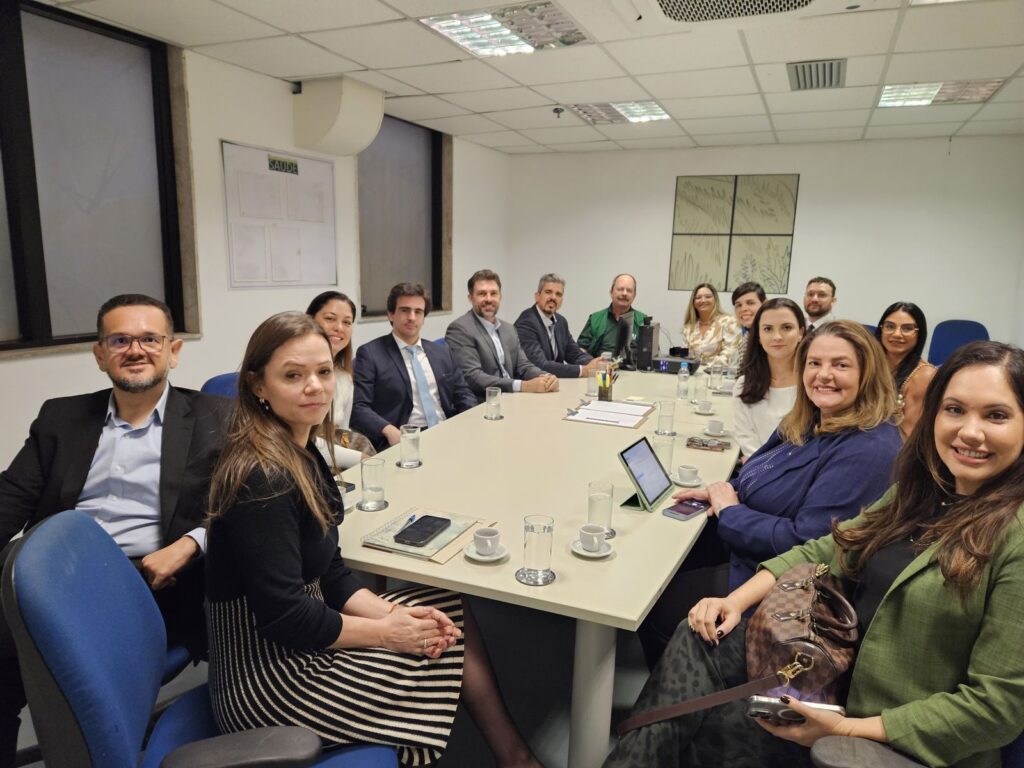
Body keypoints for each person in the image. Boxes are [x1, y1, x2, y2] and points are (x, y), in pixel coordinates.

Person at [608, 340, 1024, 768]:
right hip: (831, 677)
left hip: (885, 735)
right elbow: (829, 546)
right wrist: (734, 601)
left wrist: (843, 729)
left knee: (711, 727)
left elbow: (996, 708)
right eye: (955, 410)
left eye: (996, 415)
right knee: (700, 637)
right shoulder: (921, 492)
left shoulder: (1014, 536)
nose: (970, 431)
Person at [205, 312, 541, 768]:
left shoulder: (300, 450)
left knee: (441, 611)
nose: (315, 387)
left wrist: (395, 614)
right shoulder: (263, 477)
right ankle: (515, 758)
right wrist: (388, 634)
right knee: (430, 643)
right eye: (293, 375)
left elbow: (332, 574)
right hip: (270, 683)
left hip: (298, 637)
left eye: (324, 372)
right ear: (258, 386)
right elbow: (286, 617)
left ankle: (512, 757)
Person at [0, 294, 230, 768]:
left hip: (154, 582)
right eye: (120, 339)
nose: (135, 349)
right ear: (100, 353)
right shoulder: (60, 419)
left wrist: (190, 544)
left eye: (150, 338)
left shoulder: (216, 418)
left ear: (174, 350)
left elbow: (246, 508)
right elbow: (10, 501)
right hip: (59, 577)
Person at [639, 321, 901, 668]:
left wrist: (731, 511)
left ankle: (699, 686)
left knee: (658, 604)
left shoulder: (869, 449)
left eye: (841, 365)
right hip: (745, 544)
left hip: (778, 584)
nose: (824, 375)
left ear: (868, 374)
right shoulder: (809, 420)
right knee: (656, 555)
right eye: (814, 363)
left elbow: (807, 544)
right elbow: (758, 471)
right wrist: (722, 490)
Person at [351, 282, 477, 452]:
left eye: (418, 312)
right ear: (390, 314)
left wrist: (469, 419)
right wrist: (388, 430)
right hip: (403, 438)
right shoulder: (371, 354)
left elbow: (463, 393)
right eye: (405, 310)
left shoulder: (441, 352)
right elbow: (359, 408)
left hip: (446, 431)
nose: (412, 317)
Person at [445, 270, 558, 400]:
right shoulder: (460, 329)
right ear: (470, 298)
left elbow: (524, 366)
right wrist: (522, 386)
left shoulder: (508, 329)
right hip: (483, 404)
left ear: (500, 297)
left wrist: (546, 377)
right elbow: (473, 377)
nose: (488, 299)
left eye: (493, 293)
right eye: (482, 294)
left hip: (512, 399)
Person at [732, 298, 806, 459]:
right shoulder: (744, 385)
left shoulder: (813, 384)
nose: (777, 336)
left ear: (800, 333)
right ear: (758, 335)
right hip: (761, 473)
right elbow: (747, 441)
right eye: (768, 329)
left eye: (786, 328)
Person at [306, 291, 364, 469]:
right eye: (330, 319)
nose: (339, 327)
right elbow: (306, 443)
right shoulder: (302, 378)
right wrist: (361, 458)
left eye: (347, 322)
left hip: (335, 461)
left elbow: (342, 435)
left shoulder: (345, 377)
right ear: (310, 320)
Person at [514, 273, 600, 378]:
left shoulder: (561, 321)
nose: (553, 297)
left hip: (554, 385)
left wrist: (597, 363)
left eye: (558, 294)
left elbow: (575, 354)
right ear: (537, 296)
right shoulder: (526, 322)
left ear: (561, 301)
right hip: (532, 386)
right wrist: (582, 370)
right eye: (548, 292)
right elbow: (540, 365)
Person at [874, 302, 937, 440]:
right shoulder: (869, 365)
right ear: (881, 330)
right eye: (890, 327)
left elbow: (909, 436)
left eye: (907, 328)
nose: (896, 334)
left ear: (919, 334)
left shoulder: (925, 375)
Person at [577, 274, 648, 357]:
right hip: (600, 368)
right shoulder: (595, 319)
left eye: (629, 290)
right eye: (620, 289)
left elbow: (651, 354)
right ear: (611, 293)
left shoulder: (642, 321)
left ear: (634, 296)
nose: (624, 293)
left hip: (633, 369)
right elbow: (580, 350)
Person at [681, 282, 742, 367]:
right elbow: (685, 357)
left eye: (708, 297)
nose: (703, 300)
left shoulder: (729, 322)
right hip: (693, 375)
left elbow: (729, 355)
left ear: (715, 300)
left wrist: (703, 369)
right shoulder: (689, 327)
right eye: (698, 297)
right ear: (693, 302)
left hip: (719, 376)